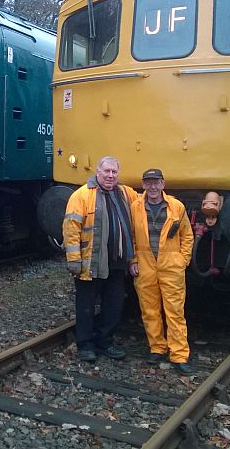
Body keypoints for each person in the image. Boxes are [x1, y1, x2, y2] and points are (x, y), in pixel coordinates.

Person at [62, 156, 139, 362]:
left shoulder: (124, 193)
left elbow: (144, 202)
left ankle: (105, 341)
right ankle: (85, 344)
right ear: (98, 172)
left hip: (116, 262)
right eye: (107, 171)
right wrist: (74, 260)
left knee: (113, 304)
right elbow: (71, 229)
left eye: (114, 172)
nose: (110, 176)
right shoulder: (82, 195)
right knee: (86, 304)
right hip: (90, 261)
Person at [129, 168, 194, 373]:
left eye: (156, 182)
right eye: (149, 183)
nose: (153, 186)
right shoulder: (135, 207)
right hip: (145, 263)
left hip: (171, 264)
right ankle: (157, 347)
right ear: (143, 185)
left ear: (163, 184)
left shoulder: (177, 206)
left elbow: (187, 235)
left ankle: (179, 354)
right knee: (149, 309)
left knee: (174, 310)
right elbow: (130, 236)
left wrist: (182, 260)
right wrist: (132, 260)